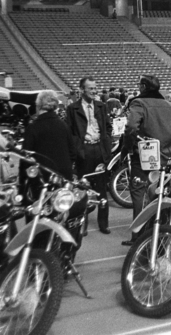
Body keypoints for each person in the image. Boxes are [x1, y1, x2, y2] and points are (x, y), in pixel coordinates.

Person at [122, 74, 171, 246]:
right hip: (163, 155)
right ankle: (160, 233)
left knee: (139, 194)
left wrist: (129, 147)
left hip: (142, 156)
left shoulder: (138, 103)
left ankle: (138, 237)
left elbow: (131, 127)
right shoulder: (168, 105)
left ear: (142, 87)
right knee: (160, 193)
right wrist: (164, 143)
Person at [66, 77, 113, 234]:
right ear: (82, 90)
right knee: (82, 188)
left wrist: (106, 145)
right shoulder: (72, 108)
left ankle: (103, 223)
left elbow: (107, 127)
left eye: (95, 88)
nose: (94, 91)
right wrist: (77, 147)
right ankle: (81, 224)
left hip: (99, 150)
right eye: (91, 88)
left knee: (101, 189)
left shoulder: (102, 106)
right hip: (83, 151)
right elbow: (70, 131)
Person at [23, 90, 73, 203]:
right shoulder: (63, 125)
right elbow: (72, 152)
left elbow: (25, 158)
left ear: (38, 105)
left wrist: (22, 185)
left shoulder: (33, 127)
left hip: (41, 179)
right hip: (63, 176)